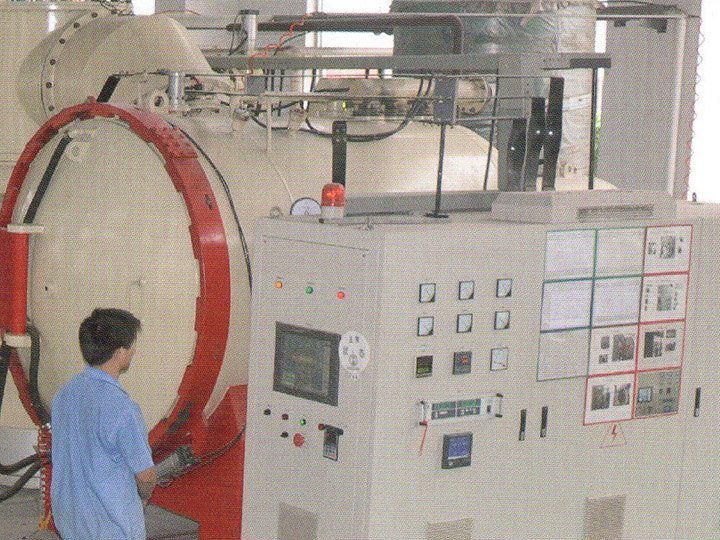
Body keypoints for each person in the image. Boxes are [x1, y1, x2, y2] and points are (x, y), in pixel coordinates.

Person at [51, 308, 157, 540]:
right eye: (131, 346)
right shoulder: (122, 408)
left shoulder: (63, 395)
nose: (133, 351)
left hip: (70, 525)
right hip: (112, 529)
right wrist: (143, 496)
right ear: (119, 353)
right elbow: (146, 476)